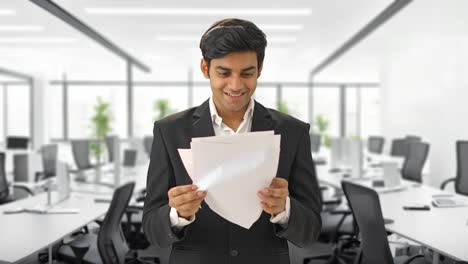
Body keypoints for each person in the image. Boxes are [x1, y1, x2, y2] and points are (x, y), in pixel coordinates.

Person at [143, 18, 322, 264]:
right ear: (205, 69)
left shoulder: (293, 132)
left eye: (247, 73)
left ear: (259, 69)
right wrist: (176, 214)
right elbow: (152, 230)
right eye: (224, 73)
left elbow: (311, 231)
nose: (236, 85)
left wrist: (285, 209)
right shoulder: (170, 131)